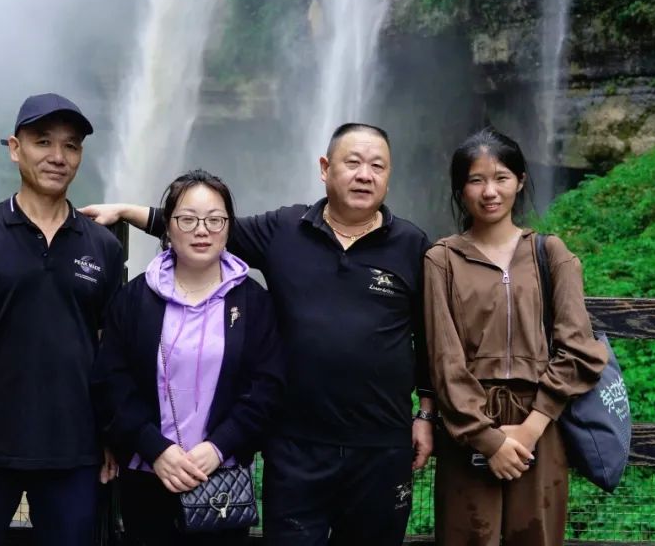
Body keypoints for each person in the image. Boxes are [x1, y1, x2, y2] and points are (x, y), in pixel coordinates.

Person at [83, 123, 434, 546]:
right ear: (325, 168)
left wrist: (426, 412)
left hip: (381, 444)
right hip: (295, 447)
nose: (365, 175)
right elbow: (201, 226)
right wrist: (125, 210)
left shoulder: (412, 244)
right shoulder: (285, 229)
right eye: (353, 162)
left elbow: (429, 335)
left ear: (389, 175)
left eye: (377, 166)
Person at [0, 93, 123, 545]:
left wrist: (111, 434)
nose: (58, 156)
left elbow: (109, 347)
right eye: (43, 141)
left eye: (71, 145)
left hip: (74, 449)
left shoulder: (103, 247)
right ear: (15, 148)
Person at [423, 127, 608, 546]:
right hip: (468, 424)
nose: (490, 191)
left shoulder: (551, 253)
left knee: (536, 537)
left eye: (501, 178)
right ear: (460, 189)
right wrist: (488, 440)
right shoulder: (442, 260)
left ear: (520, 181)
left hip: (541, 419)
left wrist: (530, 428)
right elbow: (444, 360)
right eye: (476, 180)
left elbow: (578, 347)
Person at [92, 169, 284, 546]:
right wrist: (155, 449)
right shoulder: (134, 299)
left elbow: (268, 387)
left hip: (222, 480)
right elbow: (111, 381)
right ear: (168, 227)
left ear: (229, 228)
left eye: (215, 220)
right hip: (148, 474)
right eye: (188, 219)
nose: (202, 230)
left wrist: (219, 447)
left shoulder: (254, 303)